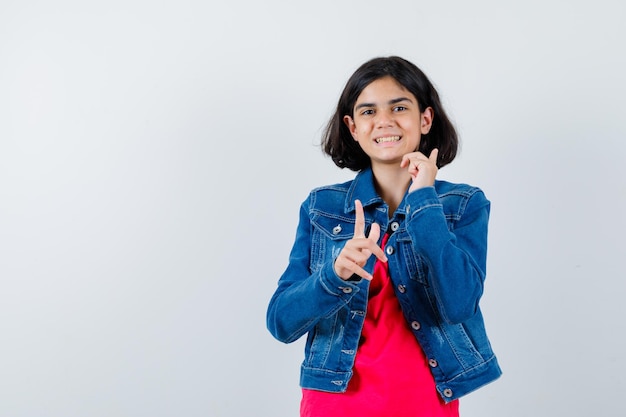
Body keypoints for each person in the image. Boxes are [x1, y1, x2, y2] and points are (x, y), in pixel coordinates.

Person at [266, 56, 501, 417]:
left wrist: (424, 201)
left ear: (425, 119)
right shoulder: (322, 206)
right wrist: (334, 275)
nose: (384, 121)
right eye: (368, 112)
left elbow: (459, 304)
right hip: (335, 402)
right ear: (352, 127)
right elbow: (281, 322)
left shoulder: (462, 204)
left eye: (399, 107)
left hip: (426, 401)